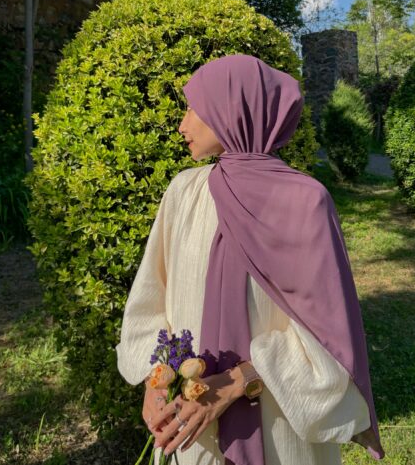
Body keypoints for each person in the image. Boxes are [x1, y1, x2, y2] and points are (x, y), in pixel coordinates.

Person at [116, 54, 385, 465]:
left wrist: (232, 384)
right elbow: (153, 299)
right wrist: (156, 384)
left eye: (194, 109)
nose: (182, 125)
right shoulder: (184, 193)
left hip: (280, 430)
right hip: (191, 434)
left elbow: (328, 339)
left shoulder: (305, 202)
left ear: (230, 110)